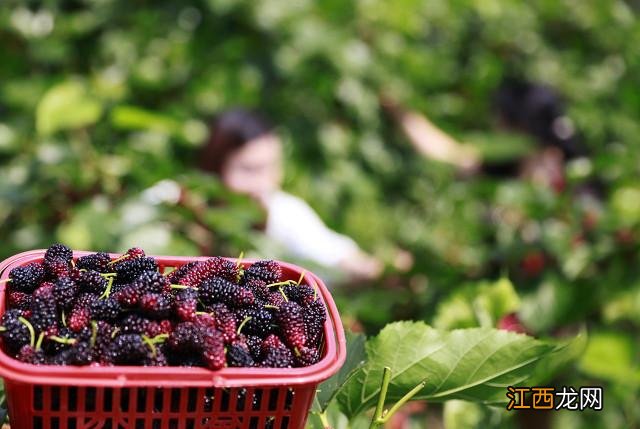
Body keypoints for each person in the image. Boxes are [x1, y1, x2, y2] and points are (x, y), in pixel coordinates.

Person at [199, 109, 384, 282]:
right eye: (249, 169)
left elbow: (336, 257)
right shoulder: (177, 205)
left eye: (271, 167)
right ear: (215, 167)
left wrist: (380, 268)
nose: (264, 183)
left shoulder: (285, 213)